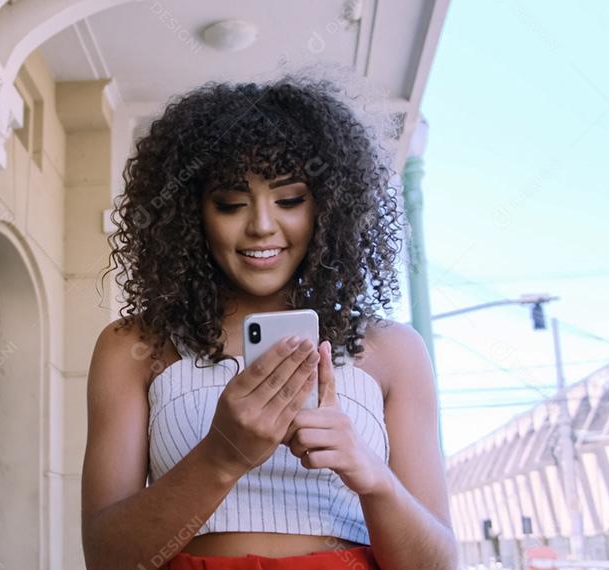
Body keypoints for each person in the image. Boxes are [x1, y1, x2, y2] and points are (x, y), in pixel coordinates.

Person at [81, 70, 460, 569]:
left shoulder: (394, 351)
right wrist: (222, 454)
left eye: (289, 200)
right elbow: (107, 560)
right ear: (191, 213)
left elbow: (438, 565)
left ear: (327, 207)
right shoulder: (135, 346)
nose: (261, 225)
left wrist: (371, 475)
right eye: (231, 203)